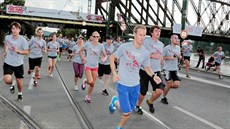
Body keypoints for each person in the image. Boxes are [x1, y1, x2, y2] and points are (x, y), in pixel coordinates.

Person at [109, 25, 162, 129]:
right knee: (127, 112)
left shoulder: (145, 52)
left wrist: (153, 76)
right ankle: (118, 127)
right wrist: (114, 74)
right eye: (140, 35)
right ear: (134, 34)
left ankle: (115, 102)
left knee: (130, 109)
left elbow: (147, 67)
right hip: (123, 84)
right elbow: (112, 57)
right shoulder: (124, 47)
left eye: (144, 35)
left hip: (135, 86)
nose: (142, 37)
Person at [136, 25, 165, 115]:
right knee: (143, 91)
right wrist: (151, 55)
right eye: (156, 31)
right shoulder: (145, 42)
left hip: (156, 71)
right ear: (151, 32)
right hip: (145, 70)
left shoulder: (161, 44)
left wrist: (162, 59)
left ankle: (150, 101)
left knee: (160, 90)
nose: (158, 32)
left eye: (159, 31)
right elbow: (139, 53)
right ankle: (138, 105)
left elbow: (160, 55)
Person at [2, 22, 29, 101]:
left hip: (18, 63)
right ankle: (12, 84)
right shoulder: (7, 37)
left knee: (19, 80)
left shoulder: (23, 40)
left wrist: (19, 51)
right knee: (7, 80)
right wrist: (5, 51)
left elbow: (27, 52)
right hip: (8, 62)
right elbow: (6, 44)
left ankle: (20, 93)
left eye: (16, 29)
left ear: (19, 30)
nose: (15, 30)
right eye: (13, 28)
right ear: (11, 30)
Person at [79, 31, 107, 103]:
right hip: (88, 65)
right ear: (91, 37)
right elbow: (80, 51)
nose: (95, 38)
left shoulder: (101, 46)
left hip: (95, 66)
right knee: (90, 81)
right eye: (94, 36)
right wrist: (82, 58)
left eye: (97, 36)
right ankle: (85, 81)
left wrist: (104, 58)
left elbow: (105, 55)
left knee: (92, 84)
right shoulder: (88, 44)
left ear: (99, 37)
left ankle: (88, 96)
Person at [161, 34, 182, 104]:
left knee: (177, 85)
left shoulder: (178, 48)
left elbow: (177, 56)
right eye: (175, 38)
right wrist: (169, 58)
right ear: (171, 39)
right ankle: (163, 97)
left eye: (177, 38)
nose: (177, 40)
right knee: (169, 84)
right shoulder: (166, 48)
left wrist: (179, 57)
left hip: (175, 69)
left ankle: (165, 87)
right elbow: (161, 57)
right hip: (167, 69)